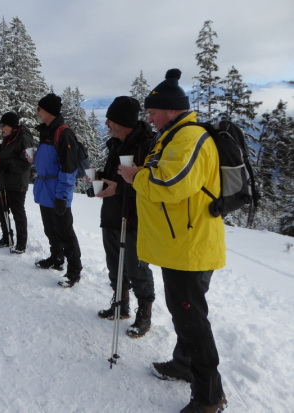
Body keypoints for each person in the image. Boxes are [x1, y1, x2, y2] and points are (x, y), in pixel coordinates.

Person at [119, 69, 227, 413]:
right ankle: (183, 364)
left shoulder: (189, 137)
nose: (148, 116)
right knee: (186, 315)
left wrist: (136, 176)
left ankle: (210, 397)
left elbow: (172, 184)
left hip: (189, 247)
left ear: (171, 109)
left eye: (153, 110)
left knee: (192, 321)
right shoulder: (173, 136)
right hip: (178, 243)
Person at [95, 96, 155, 338]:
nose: (107, 123)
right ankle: (120, 305)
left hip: (134, 218)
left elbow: (151, 185)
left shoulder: (147, 146)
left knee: (137, 267)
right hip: (111, 213)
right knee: (115, 265)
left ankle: (145, 314)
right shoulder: (115, 144)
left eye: (112, 120)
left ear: (124, 122)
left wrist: (119, 189)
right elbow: (114, 176)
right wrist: (99, 178)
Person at [33, 93, 82, 288]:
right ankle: (56, 258)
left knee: (65, 232)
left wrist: (62, 196)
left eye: (40, 109)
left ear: (50, 111)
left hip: (57, 190)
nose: (37, 112)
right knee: (50, 229)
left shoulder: (63, 133)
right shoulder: (46, 131)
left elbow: (69, 168)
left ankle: (74, 270)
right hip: (45, 188)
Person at [0, 112, 34, 253]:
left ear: (11, 125)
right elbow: (4, 156)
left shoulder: (23, 137)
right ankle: (7, 238)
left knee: (17, 212)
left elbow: (26, 163)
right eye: (0, 125)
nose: (1, 128)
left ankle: (21, 243)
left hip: (17, 181)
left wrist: (7, 165)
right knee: (0, 210)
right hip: (4, 180)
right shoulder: (8, 137)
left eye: (3, 125)